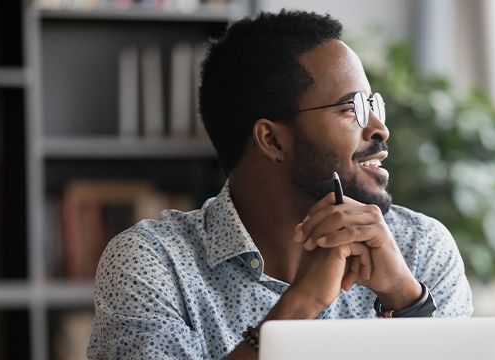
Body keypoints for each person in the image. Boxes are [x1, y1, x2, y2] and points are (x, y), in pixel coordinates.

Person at [88, 9, 472, 360]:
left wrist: (407, 300)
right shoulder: (153, 264)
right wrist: (301, 303)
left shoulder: (420, 248)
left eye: (373, 104)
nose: (379, 128)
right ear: (272, 140)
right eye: (351, 108)